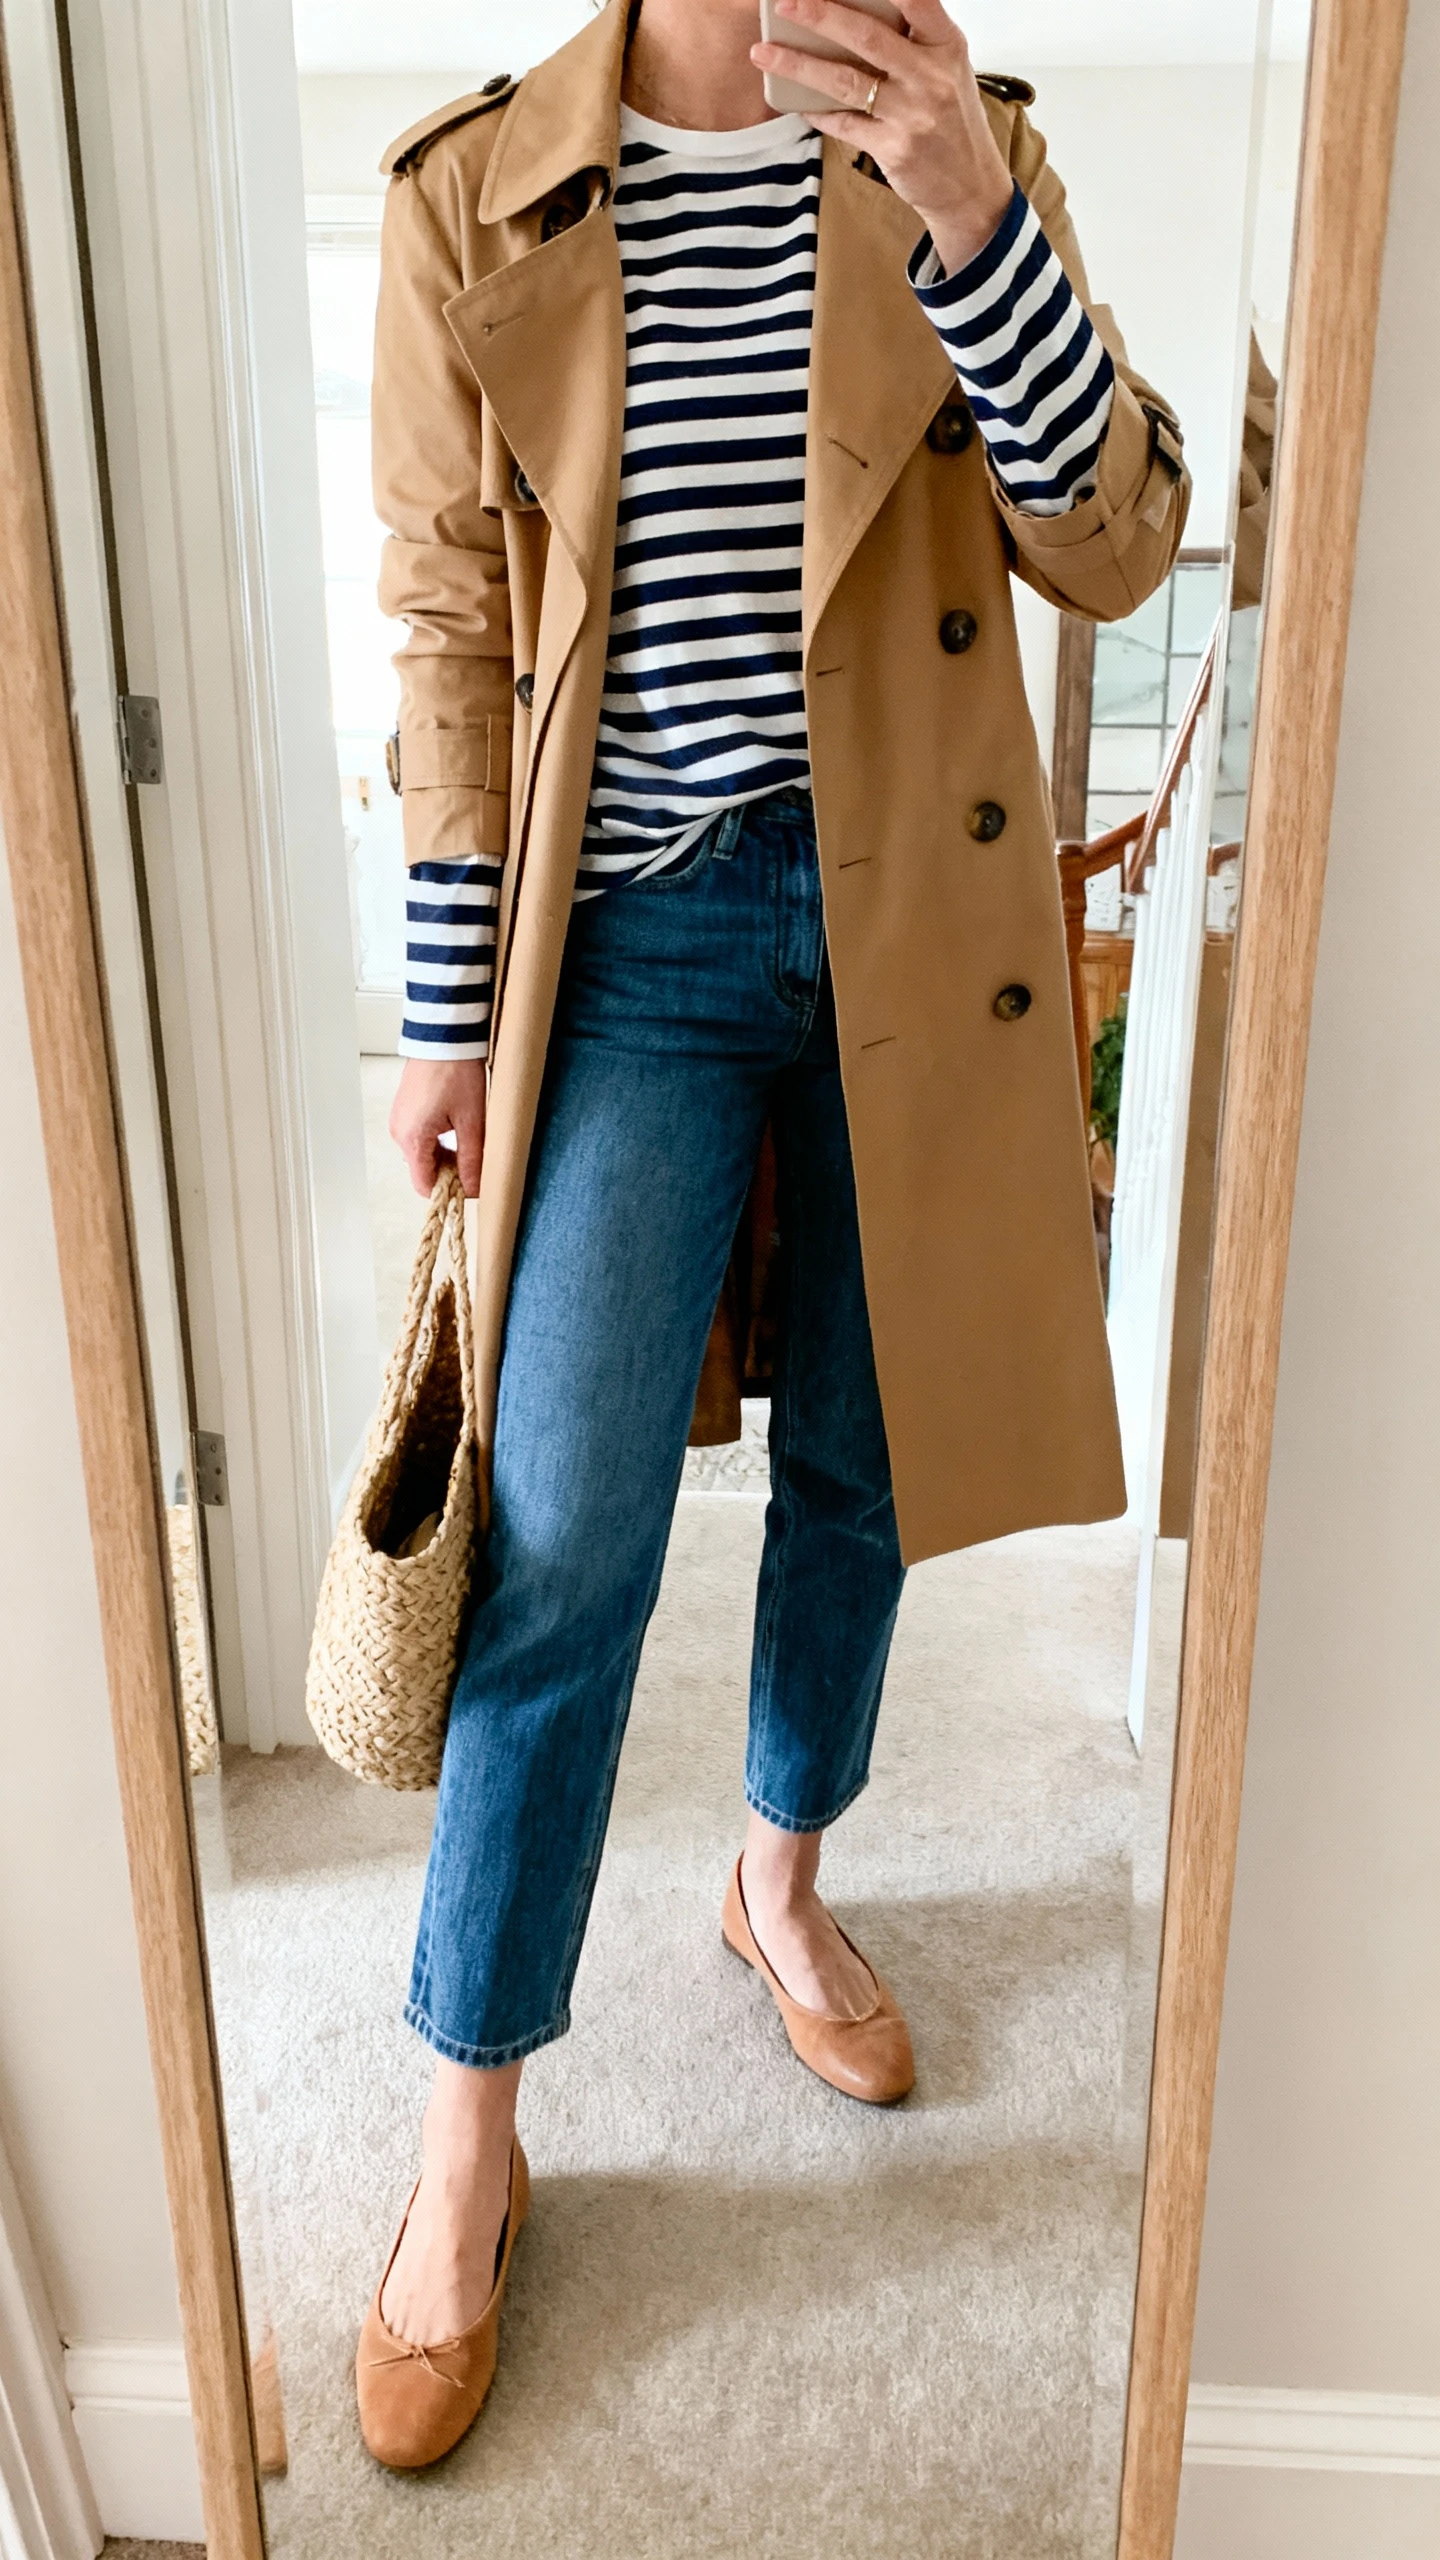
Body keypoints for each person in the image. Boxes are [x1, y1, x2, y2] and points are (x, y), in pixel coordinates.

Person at [356, 0, 1188, 2470]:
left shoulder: (973, 150)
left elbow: (1116, 538)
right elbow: (447, 625)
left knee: (871, 1461)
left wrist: (966, 215)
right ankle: (463, 2132)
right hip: (628, 946)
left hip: (912, 925)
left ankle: (778, 1878)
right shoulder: (473, 190)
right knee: (564, 1529)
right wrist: (443, 1017)